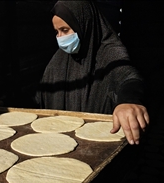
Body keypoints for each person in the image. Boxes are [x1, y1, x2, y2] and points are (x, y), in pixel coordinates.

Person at [33, 0, 149, 145]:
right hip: (60, 140)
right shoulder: (59, 60)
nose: (60, 38)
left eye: (65, 30)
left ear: (84, 24)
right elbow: (40, 97)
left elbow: (128, 77)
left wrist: (128, 101)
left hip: (98, 141)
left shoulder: (109, 52)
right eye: (57, 32)